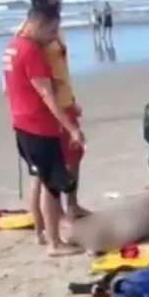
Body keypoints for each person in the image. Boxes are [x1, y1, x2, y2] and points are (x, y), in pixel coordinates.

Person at [1, 7, 85, 255]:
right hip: (39, 127)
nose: (53, 36)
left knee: (39, 178)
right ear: (37, 24)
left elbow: (9, 88)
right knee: (51, 187)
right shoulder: (31, 52)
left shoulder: (12, 46)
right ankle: (54, 243)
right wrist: (71, 128)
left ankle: (41, 233)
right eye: (51, 30)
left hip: (22, 124)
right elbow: (47, 95)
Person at [39, 15, 91, 218]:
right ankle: (56, 213)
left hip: (65, 101)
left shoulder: (57, 32)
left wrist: (71, 99)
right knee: (51, 164)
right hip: (52, 106)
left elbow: (62, 71)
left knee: (75, 154)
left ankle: (71, 205)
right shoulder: (34, 36)